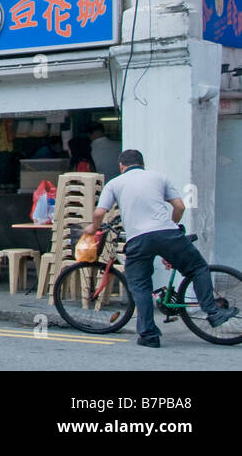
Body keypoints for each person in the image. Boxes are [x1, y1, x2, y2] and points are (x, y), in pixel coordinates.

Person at [84, 149, 238, 347]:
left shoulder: (115, 183)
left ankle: (149, 336)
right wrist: (172, 226)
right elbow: (180, 207)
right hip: (167, 234)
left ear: (121, 165)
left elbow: (99, 213)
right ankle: (213, 312)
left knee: (141, 286)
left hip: (138, 241)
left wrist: (92, 228)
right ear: (142, 164)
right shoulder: (159, 177)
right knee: (198, 268)